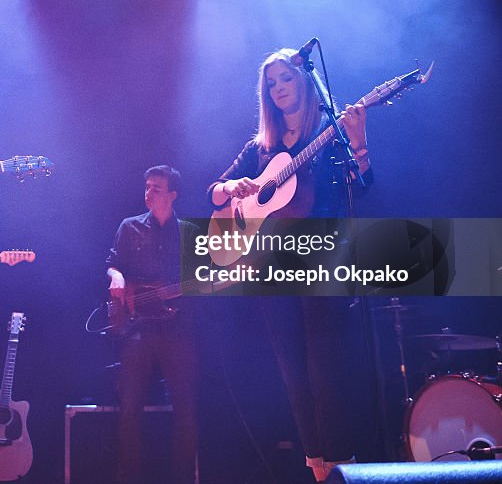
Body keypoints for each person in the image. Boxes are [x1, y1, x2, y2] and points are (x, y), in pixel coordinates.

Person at [207, 48, 373, 482]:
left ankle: (341, 468)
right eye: (272, 84)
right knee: (294, 376)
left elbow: (366, 185)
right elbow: (215, 193)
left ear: (303, 81)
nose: (279, 88)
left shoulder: (330, 131)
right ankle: (317, 468)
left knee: (326, 372)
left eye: (285, 79)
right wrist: (232, 186)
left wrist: (358, 143)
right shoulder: (259, 148)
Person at [107, 165, 200, 484]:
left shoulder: (189, 231)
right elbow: (111, 265)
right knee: (130, 409)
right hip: (137, 329)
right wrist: (117, 277)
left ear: (172, 195)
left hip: (177, 329)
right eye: (147, 187)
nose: (148, 193)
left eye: (156, 189)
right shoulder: (129, 227)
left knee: (186, 411)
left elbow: (202, 278)